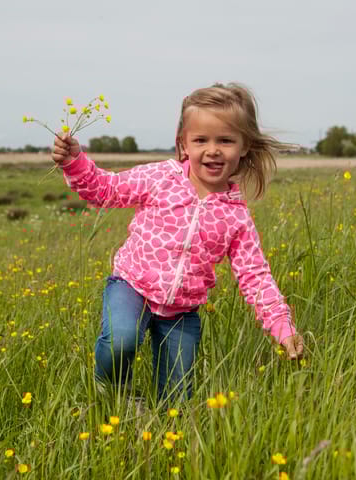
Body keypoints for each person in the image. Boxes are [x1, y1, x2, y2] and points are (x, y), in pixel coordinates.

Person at [51, 83, 304, 402]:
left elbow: (255, 277)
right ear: (183, 144)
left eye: (225, 140)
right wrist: (74, 163)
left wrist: (282, 326)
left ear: (244, 146)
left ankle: (160, 435)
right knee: (122, 341)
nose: (212, 150)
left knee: (177, 400)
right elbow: (107, 190)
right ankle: (112, 391)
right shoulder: (160, 178)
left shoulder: (236, 217)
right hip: (132, 286)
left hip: (181, 311)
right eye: (201, 140)